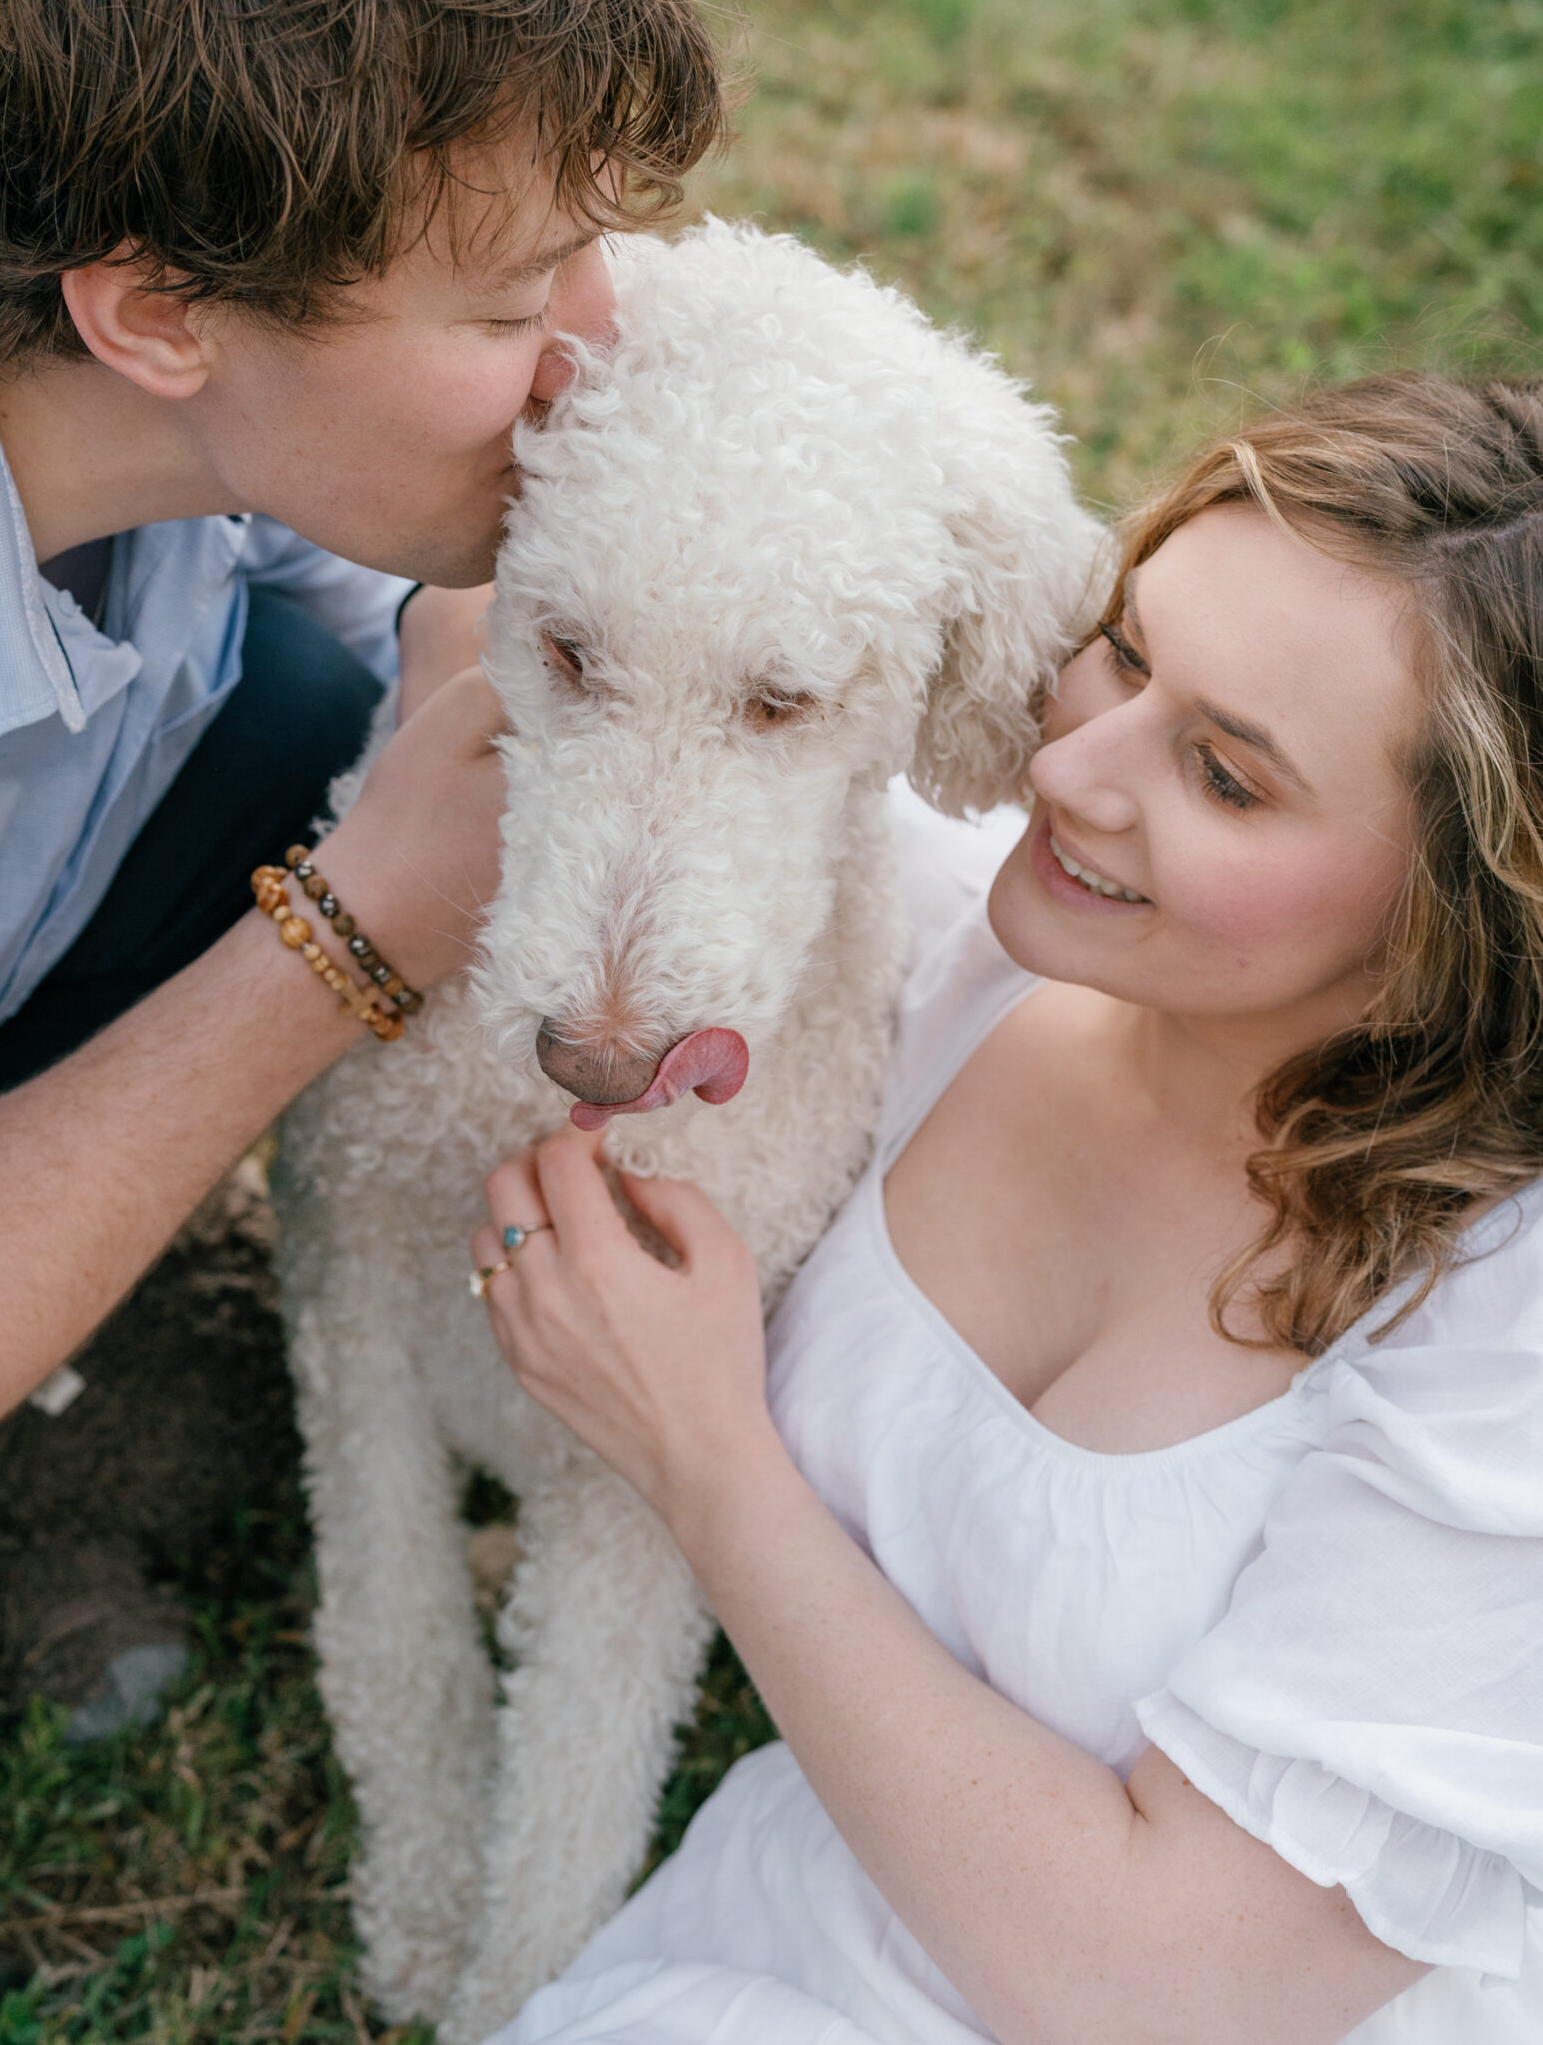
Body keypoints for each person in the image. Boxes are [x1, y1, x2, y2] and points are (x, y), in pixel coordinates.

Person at [0, 0, 728, 2038]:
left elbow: (392, 617)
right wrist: (355, 926)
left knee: (311, 694)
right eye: (512, 303)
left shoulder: (25, 306)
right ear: (157, 312)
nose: (608, 351)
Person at [468, 375, 1543, 2045]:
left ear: (1463, 917)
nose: (1076, 763)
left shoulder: (1504, 1330)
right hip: (822, 1925)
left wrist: (707, 1456)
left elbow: (1157, 1993)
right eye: (1125, 645)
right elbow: (583, 625)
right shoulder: (948, 934)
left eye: (1228, 777)